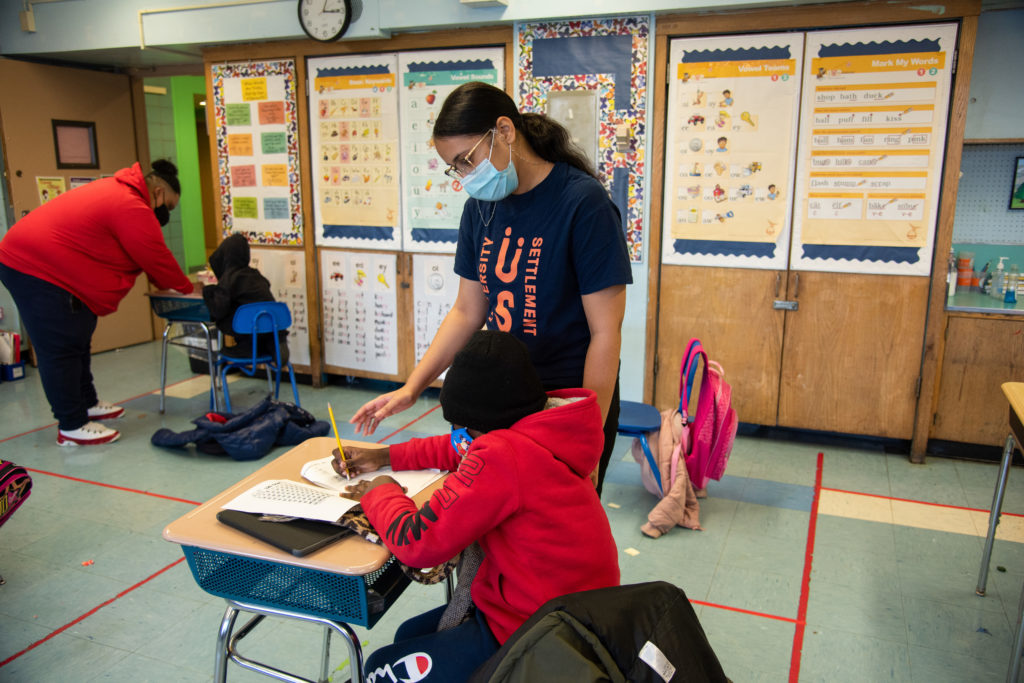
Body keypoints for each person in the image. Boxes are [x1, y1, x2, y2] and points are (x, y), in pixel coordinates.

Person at [351, 81, 632, 495]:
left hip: (564, 405)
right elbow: (467, 311)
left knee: (551, 535)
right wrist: (414, 386)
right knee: (492, 528)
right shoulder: (479, 209)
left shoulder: (582, 204)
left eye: (467, 159)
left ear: (504, 131)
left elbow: (605, 334)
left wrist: (586, 434)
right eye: (456, 167)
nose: (464, 176)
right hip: (499, 399)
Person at [335, 331, 620, 682]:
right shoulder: (541, 428)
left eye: (462, 428)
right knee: (408, 635)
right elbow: (459, 447)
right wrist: (385, 455)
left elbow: (416, 542)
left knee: (381, 667)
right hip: (572, 612)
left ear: (480, 427)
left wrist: (380, 490)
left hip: (541, 631)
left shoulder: (502, 456)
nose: (460, 437)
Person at [0, 159, 192, 446]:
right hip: (33, 267)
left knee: (78, 333)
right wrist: (189, 288)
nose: (166, 214)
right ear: (160, 193)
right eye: (170, 207)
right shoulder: (130, 203)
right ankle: (71, 425)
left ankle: (86, 404)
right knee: (60, 345)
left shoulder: (119, 191)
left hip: (49, 267)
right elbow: (154, 256)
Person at [201, 233, 289, 366]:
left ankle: (247, 346)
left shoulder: (229, 278)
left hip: (249, 331)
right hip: (272, 327)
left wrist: (208, 292)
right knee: (257, 311)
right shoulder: (256, 275)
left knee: (228, 316)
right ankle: (274, 342)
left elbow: (219, 308)